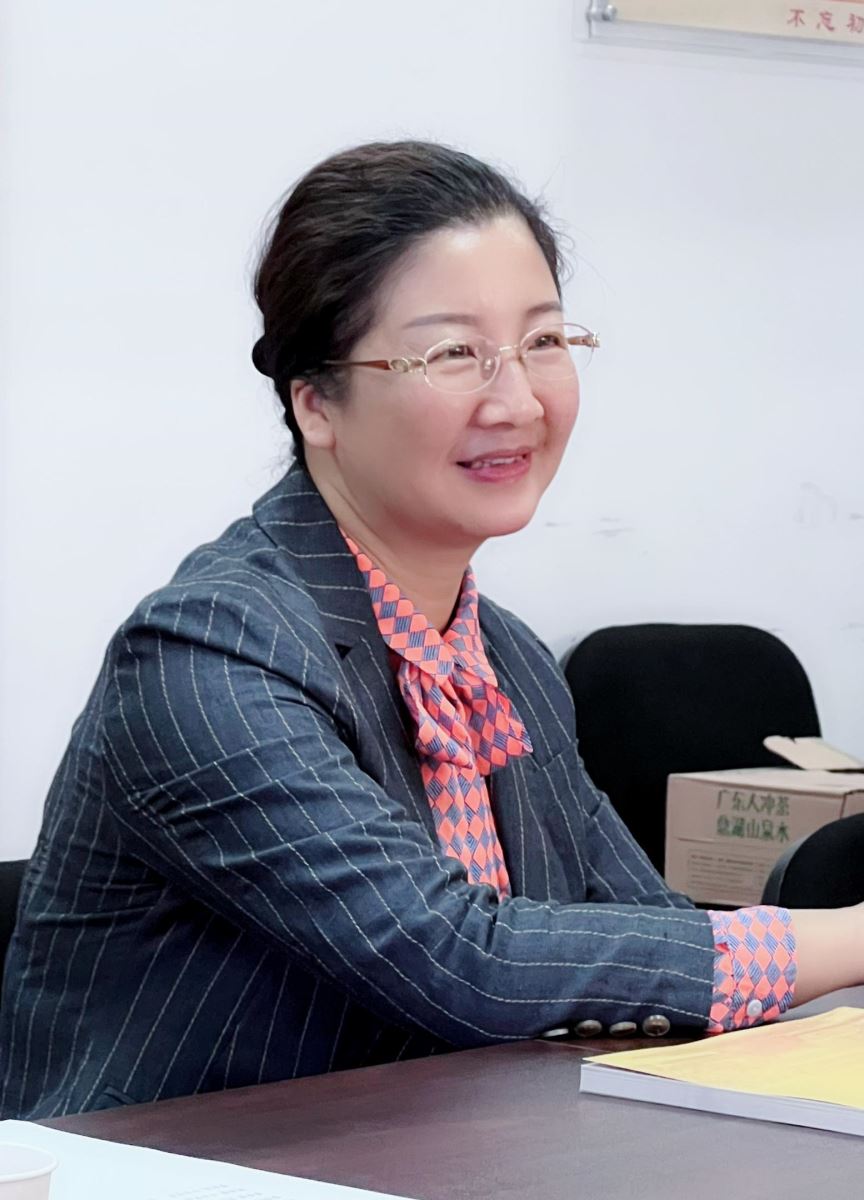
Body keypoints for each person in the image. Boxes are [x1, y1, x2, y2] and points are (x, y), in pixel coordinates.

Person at [2, 141, 862, 1119]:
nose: (518, 400)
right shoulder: (208, 655)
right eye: (454, 353)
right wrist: (849, 938)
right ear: (317, 402)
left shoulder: (504, 659)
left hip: (446, 1151)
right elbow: (459, 957)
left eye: (544, 341)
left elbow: (640, 930)